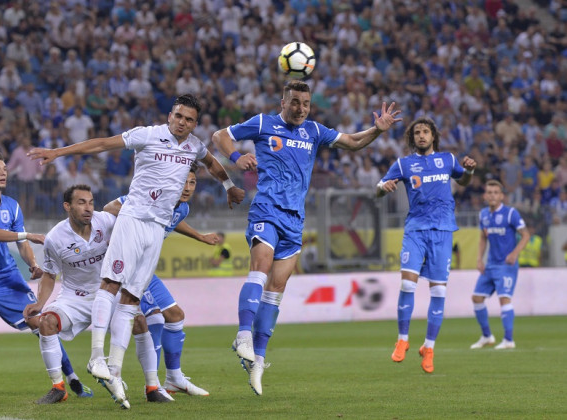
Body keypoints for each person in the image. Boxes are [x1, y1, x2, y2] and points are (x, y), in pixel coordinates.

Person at [28, 94, 245, 409]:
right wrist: (58, 153)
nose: (182, 122)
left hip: (156, 229)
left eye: (189, 119)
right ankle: (96, 358)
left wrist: (228, 186)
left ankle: (114, 367)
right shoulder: (147, 134)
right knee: (111, 284)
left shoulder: (194, 146)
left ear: (195, 124)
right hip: (132, 219)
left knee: (131, 299)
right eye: (178, 116)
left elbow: (211, 162)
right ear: (169, 116)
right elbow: (102, 144)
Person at [211, 79, 402, 395]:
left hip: (295, 219)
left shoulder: (314, 131)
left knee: (277, 287)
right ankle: (243, 334)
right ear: (282, 102)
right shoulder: (262, 123)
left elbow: (353, 142)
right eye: (295, 102)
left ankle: (257, 360)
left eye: (305, 103)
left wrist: (378, 130)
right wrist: (236, 158)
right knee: (260, 268)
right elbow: (221, 136)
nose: (300, 108)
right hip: (267, 209)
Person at [0, 151, 92, 404]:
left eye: (4, 168)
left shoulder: (12, 205)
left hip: (7, 278)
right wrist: (27, 235)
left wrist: (34, 263)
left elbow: (20, 246)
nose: (3, 172)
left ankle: (72, 379)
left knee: (42, 323)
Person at [103, 164, 214, 399]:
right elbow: (109, 207)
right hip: (127, 266)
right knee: (154, 316)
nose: (187, 188)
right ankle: (150, 385)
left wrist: (199, 237)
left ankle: (173, 378)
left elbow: (173, 221)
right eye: (183, 181)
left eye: (192, 182)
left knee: (175, 316)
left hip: (146, 268)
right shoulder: (151, 196)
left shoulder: (182, 208)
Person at [376, 117, 476, 374]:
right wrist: (382, 187)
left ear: (433, 136)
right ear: (413, 138)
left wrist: (470, 171)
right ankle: (403, 339)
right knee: (407, 283)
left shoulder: (448, 160)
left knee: (439, 292)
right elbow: (378, 188)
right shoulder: (404, 163)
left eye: (426, 131)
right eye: (417, 132)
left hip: (443, 230)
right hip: (416, 230)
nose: (421, 135)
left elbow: (463, 181)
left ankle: (429, 348)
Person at [22, 184, 116, 404]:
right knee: (46, 323)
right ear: (67, 206)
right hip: (76, 297)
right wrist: (40, 303)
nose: (88, 208)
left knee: (141, 323)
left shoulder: (106, 221)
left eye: (91, 202)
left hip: (109, 291)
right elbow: (49, 274)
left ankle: (153, 385)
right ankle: (58, 387)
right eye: (81, 202)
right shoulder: (55, 238)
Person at [470, 180, 529, 350]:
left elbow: (525, 235)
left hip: (506, 265)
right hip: (490, 265)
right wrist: (479, 259)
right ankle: (487, 336)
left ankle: (508, 340)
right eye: (489, 192)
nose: (492, 195)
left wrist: (514, 253)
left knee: (504, 299)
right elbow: (483, 237)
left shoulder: (511, 213)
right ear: (485, 196)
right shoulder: (483, 214)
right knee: (477, 298)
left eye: (496, 192)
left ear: (501, 195)